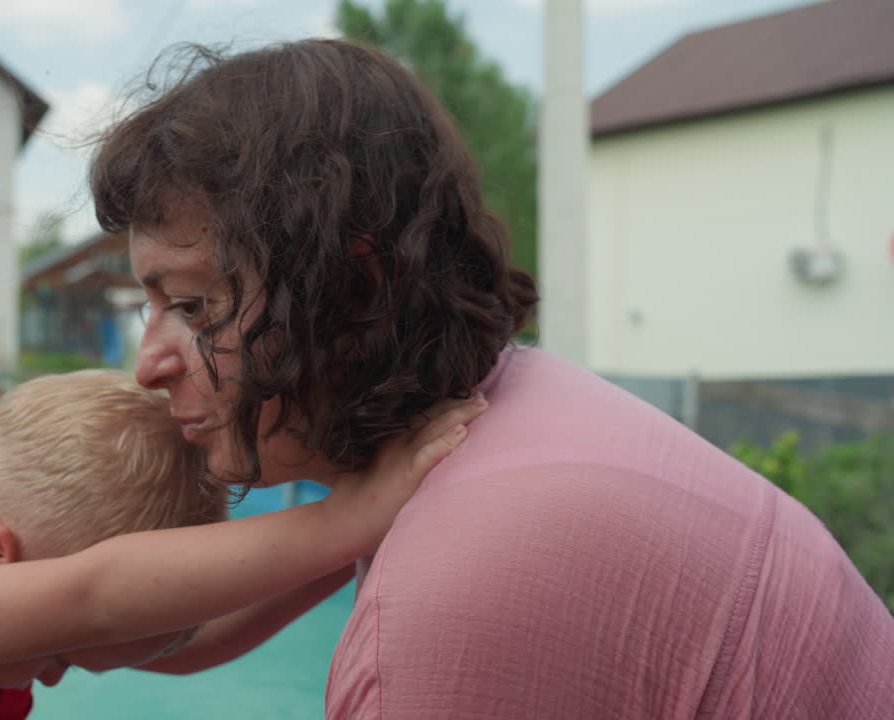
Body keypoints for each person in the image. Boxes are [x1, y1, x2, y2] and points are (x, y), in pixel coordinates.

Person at [89, 38, 894, 718]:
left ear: (356, 289)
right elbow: (184, 638)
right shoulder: (516, 411)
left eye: (193, 307)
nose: (148, 366)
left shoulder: (456, 594)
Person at [0, 369, 484, 719]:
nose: (55, 676)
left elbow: (176, 642)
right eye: (51, 651)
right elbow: (95, 601)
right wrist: (351, 516)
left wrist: (347, 553)